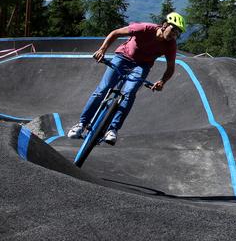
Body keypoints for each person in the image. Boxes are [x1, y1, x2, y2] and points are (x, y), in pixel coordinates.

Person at [67, 12, 186, 145]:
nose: (174, 35)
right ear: (165, 25)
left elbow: (170, 67)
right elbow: (115, 33)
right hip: (122, 57)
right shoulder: (145, 28)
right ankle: (81, 124)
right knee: (103, 89)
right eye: (173, 29)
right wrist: (102, 50)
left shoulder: (171, 45)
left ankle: (112, 129)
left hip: (142, 66)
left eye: (177, 33)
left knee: (129, 93)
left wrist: (162, 81)